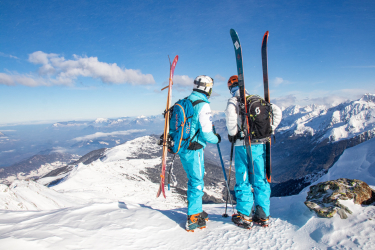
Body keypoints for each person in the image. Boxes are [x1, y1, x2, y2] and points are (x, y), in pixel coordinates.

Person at [225, 75, 282, 228]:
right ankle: (263, 215)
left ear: (231, 88)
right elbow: (277, 111)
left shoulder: (234, 101)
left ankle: (244, 215)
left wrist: (233, 134)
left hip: (242, 145)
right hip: (260, 145)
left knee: (243, 179)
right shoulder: (256, 99)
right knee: (260, 179)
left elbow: (231, 118)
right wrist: (269, 130)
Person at [180, 75, 221, 232]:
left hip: (182, 147)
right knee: (197, 182)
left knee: (193, 179)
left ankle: (196, 209)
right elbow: (206, 133)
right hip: (194, 149)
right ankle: (193, 217)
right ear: (207, 88)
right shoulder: (203, 105)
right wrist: (217, 138)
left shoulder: (185, 100)